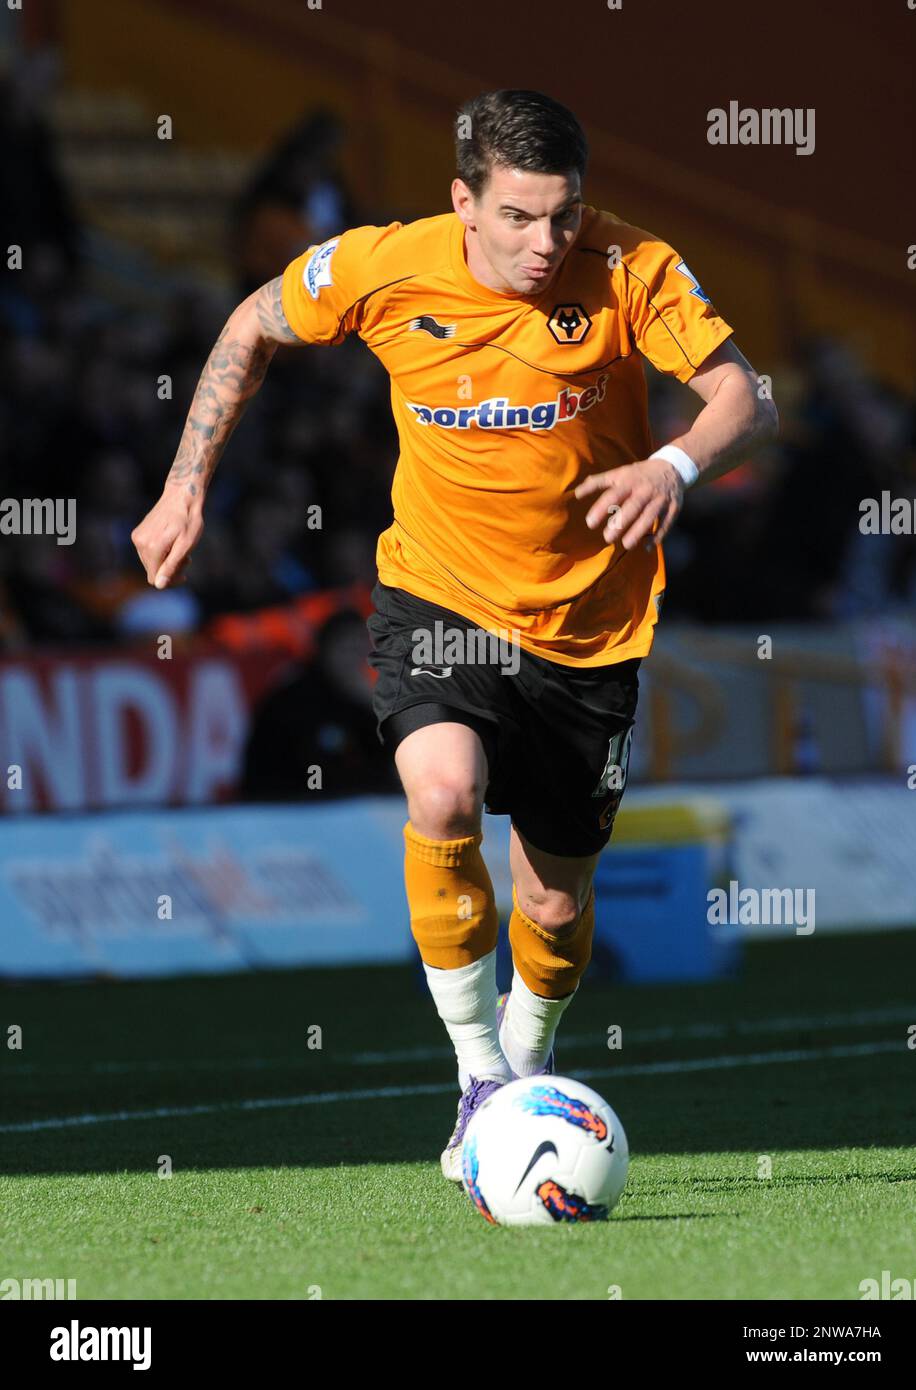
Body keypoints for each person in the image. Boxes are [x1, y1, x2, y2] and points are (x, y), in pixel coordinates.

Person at [131, 89, 778, 1183]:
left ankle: (525, 1063)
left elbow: (740, 395)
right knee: (441, 794)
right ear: (462, 201)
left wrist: (672, 465)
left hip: (589, 627)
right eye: (518, 216)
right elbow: (251, 322)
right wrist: (185, 483)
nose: (544, 243)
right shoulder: (384, 267)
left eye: (563, 215)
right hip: (439, 597)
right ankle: (481, 1079)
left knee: (555, 901)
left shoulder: (630, 270)